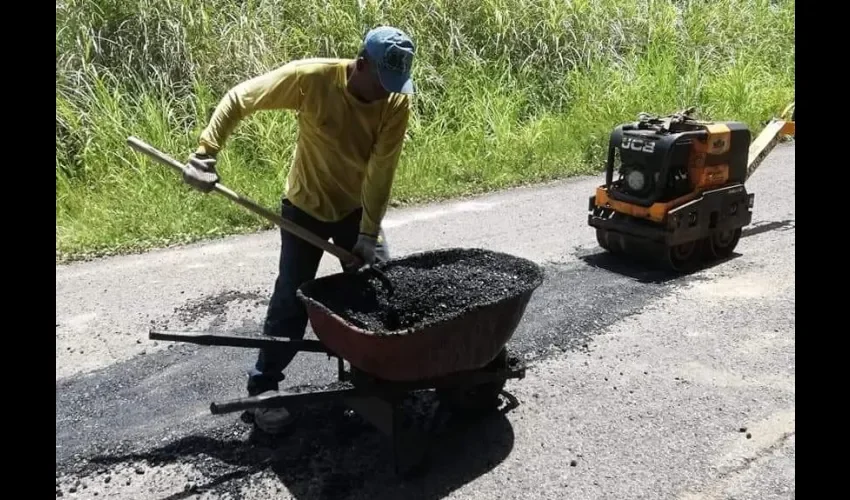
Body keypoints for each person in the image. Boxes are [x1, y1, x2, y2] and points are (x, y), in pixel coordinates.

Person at [181, 26, 415, 434]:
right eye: (381, 82)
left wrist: (368, 233)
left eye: (394, 85)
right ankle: (263, 390)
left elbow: (382, 171)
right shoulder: (312, 79)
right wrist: (206, 153)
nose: (387, 92)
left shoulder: (395, 101)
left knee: (377, 289)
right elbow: (240, 98)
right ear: (361, 64)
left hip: (356, 212)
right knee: (291, 300)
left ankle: (378, 376)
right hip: (303, 210)